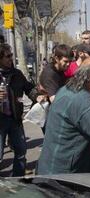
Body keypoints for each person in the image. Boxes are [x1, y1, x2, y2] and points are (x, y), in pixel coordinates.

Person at [0, 44, 38, 176]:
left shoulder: (17, 74)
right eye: (8, 56)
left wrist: (37, 96)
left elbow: (28, 88)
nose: (11, 58)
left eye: (11, 55)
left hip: (14, 119)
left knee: (21, 152)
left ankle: (18, 181)